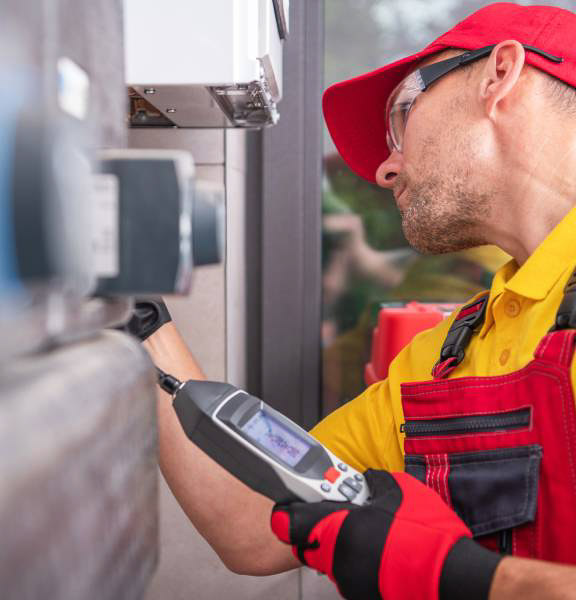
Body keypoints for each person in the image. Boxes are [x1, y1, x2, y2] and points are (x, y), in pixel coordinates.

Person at [135, 3, 576, 599]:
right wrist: (139, 313)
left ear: (500, 75)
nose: (386, 170)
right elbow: (251, 521)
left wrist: (456, 578)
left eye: (400, 117)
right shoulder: (444, 361)